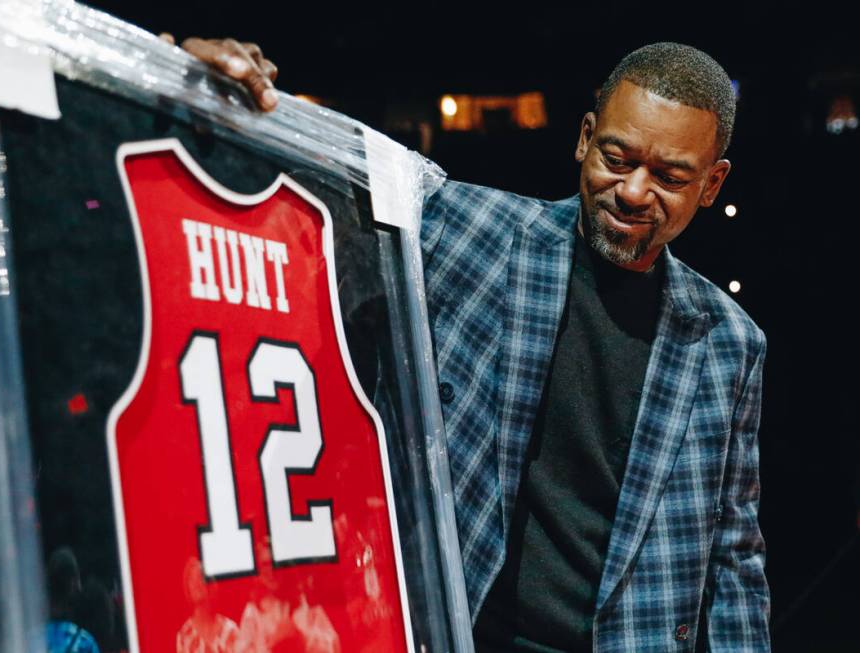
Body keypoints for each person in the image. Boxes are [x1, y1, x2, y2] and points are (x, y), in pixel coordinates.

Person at [179, 37, 769, 652]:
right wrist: (205, 91)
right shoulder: (467, 230)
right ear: (585, 137)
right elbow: (302, 186)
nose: (633, 191)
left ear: (711, 183)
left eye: (670, 176)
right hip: (458, 635)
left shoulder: (729, 342)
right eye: (617, 159)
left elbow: (735, 557)